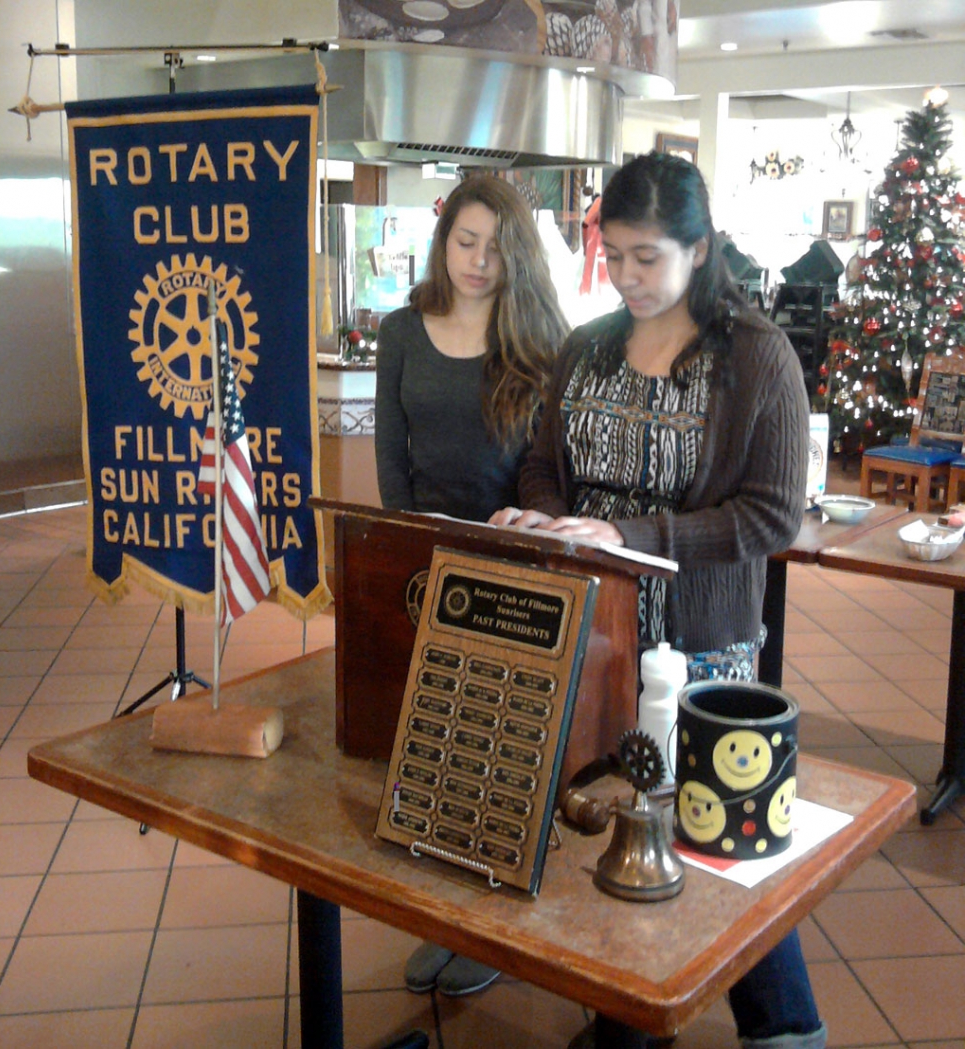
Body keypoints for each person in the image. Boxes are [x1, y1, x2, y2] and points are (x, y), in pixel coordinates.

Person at [490, 152, 827, 1049]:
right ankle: (629, 1016)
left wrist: (627, 537)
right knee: (618, 824)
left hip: (699, 639)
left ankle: (784, 1023)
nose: (629, 276)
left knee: (720, 836)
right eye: (616, 253)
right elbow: (543, 464)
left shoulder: (754, 356)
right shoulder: (588, 345)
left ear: (699, 248)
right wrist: (550, 517)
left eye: (650, 258)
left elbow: (769, 516)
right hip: (594, 633)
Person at [374, 173, 569, 997]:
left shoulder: (542, 344)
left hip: (513, 577)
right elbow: (393, 463)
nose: (479, 261)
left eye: (496, 247)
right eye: (466, 241)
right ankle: (443, 918)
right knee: (430, 753)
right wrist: (411, 563)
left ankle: (491, 927)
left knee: (499, 755)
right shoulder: (400, 331)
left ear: (517, 255)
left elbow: (547, 477)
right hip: (424, 568)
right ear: (442, 237)